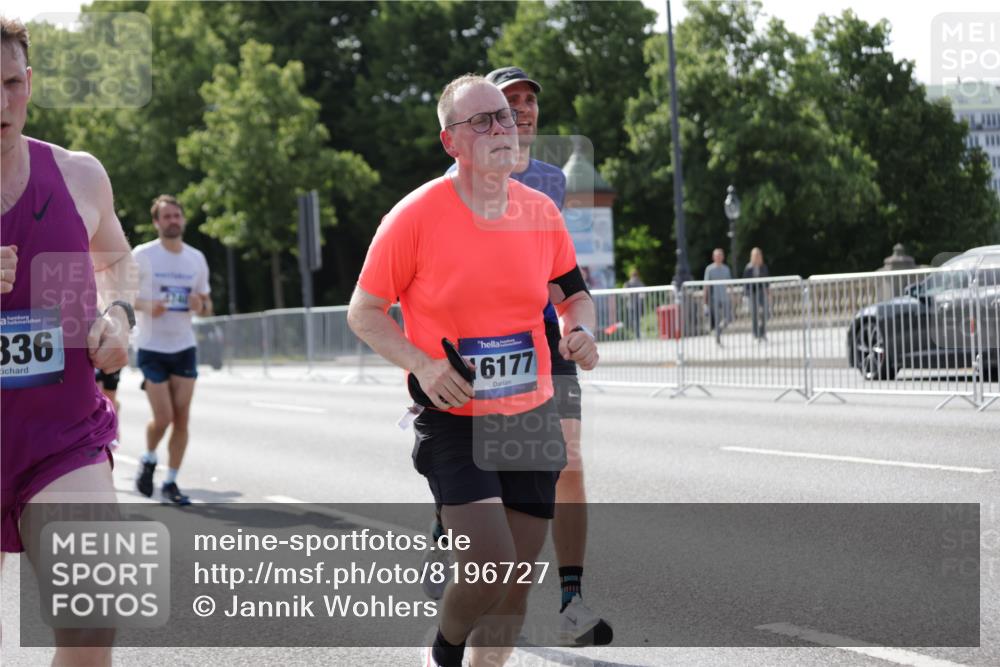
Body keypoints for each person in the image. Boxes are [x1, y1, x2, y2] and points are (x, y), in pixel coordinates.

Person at [347, 74, 599, 667]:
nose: (500, 128)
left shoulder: (539, 211)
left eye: (504, 118)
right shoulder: (414, 216)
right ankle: (444, 649)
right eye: (481, 121)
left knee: (513, 589)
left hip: (530, 415)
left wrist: (579, 330)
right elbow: (364, 312)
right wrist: (422, 364)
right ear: (450, 142)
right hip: (454, 415)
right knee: (488, 564)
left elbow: (573, 294)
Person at [428, 66, 612, 647]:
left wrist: (577, 323)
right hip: (482, 350)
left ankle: (571, 600)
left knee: (570, 467)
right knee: (483, 468)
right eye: (510, 102)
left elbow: (564, 275)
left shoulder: (552, 182)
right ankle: (454, 527)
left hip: (546, 344)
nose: (522, 110)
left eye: (529, 101)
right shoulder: (451, 186)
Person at [2, 16, 136, 665]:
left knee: (92, 620)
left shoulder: (79, 175)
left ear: (30, 83)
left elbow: (118, 261)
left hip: (61, 435)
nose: (1, 105)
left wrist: (118, 314)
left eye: (10, 84)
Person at [132, 195, 212, 506]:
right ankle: (149, 457)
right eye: (166, 217)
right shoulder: (143, 255)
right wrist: (147, 306)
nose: (173, 221)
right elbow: (122, 294)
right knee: (163, 416)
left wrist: (200, 304)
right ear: (156, 222)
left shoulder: (196, 258)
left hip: (183, 346)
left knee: (182, 419)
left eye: (176, 216)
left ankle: (171, 481)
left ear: (183, 220)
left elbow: (207, 304)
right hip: (151, 345)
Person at [704, 248, 732, 345]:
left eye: (720, 255)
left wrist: (732, 296)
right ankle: (718, 338)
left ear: (723, 257)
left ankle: (718, 331)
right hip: (714, 298)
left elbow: (730, 284)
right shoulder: (709, 269)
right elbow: (706, 286)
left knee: (728, 318)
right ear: (713, 257)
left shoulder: (726, 269)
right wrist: (705, 302)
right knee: (716, 319)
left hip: (724, 297)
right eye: (717, 255)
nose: (718, 257)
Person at [742, 247, 769, 341]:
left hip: (761, 292)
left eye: (758, 255)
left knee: (765, 312)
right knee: (754, 314)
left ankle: (762, 332)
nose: (757, 257)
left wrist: (768, 293)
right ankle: (755, 333)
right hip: (752, 293)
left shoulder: (763, 267)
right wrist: (745, 295)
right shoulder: (748, 267)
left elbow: (767, 282)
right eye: (755, 255)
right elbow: (745, 282)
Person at [624, 267, 645, 339]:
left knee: (636, 321)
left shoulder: (639, 283)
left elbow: (643, 293)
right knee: (633, 321)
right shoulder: (628, 283)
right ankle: (636, 334)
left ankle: (637, 335)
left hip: (636, 304)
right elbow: (625, 293)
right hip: (632, 304)